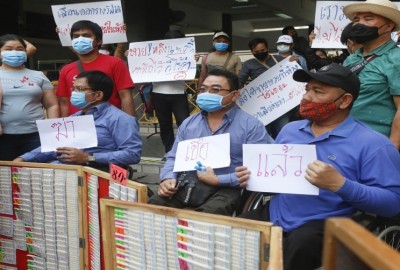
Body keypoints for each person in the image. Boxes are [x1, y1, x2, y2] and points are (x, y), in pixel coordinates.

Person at [236, 63, 400, 270]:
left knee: (299, 247)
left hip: (326, 223)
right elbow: (276, 180)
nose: (306, 97)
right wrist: (254, 177)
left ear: (345, 101)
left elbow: (393, 203)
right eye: (306, 90)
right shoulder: (290, 130)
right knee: (232, 234)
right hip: (276, 213)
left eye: (317, 91)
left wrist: (341, 185)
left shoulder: (374, 144)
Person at [149, 69, 273, 216]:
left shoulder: (251, 126)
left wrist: (219, 180)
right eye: (203, 89)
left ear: (234, 95)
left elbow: (259, 169)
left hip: (228, 188)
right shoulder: (189, 124)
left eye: (215, 89)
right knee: (152, 208)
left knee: (206, 218)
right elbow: (173, 157)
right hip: (189, 182)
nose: (206, 94)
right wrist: (168, 178)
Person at [14, 70, 142, 170]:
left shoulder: (121, 119)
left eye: (80, 89)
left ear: (98, 95)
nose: (74, 93)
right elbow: (54, 147)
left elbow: (132, 154)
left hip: (99, 173)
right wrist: (23, 159)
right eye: (73, 88)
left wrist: (89, 157)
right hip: (64, 171)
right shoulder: (74, 119)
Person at [343, 0, 400, 148]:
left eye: (368, 19)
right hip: (346, 140)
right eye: (357, 19)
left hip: (377, 145)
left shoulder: (396, 58)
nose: (359, 24)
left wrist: (391, 148)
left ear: (388, 26)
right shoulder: (351, 59)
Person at [56, 20, 135, 117]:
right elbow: (64, 102)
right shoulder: (66, 69)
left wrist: (130, 123)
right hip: (77, 125)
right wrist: (66, 126)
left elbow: (125, 96)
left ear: (99, 41)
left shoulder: (115, 63)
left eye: (86, 35)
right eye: (76, 36)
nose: (80, 39)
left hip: (108, 123)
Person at [0, 34, 59, 161]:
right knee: (5, 176)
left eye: (20, 49)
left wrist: (52, 131)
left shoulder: (38, 76)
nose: (15, 52)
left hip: (35, 135)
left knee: (34, 174)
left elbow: (52, 105)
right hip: (3, 136)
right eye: (8, 49)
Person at [151, 30, 192, 156]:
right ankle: (169, 152)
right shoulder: (155, 53)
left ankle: (185, 151)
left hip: (178, 93)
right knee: (165, 125)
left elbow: (190, 73)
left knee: (184, 124)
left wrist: (192, 59)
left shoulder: (186, 53)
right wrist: (133, 57)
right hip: (158, 93)